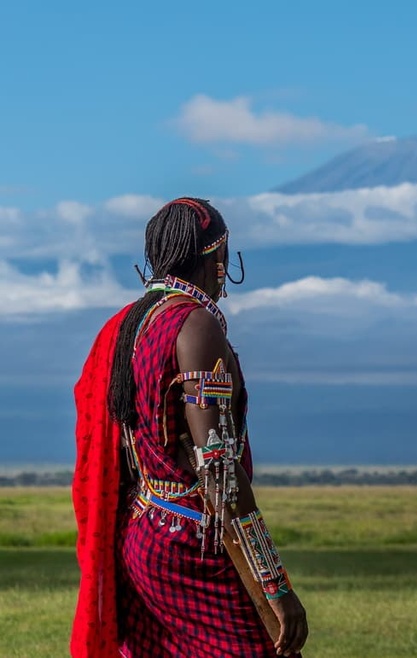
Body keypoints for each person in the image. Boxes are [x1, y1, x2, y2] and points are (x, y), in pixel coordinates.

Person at [71, 197, 308, 657]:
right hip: (190, 544)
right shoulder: (195, 325)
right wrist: (275, 586)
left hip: (141, 533)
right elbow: (218, 469)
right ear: (216, 257)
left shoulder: (131, 325)